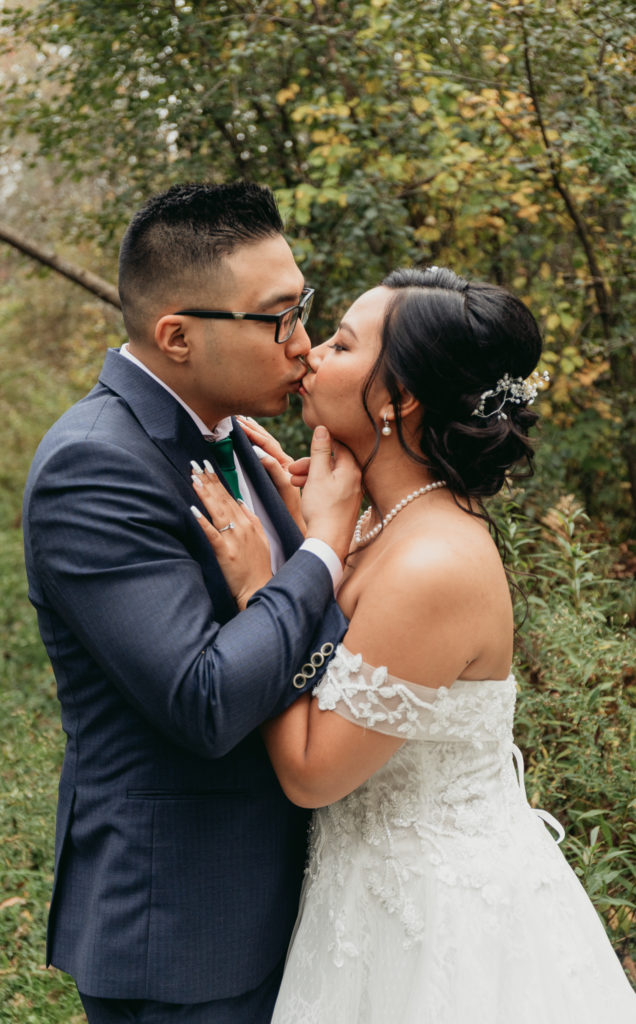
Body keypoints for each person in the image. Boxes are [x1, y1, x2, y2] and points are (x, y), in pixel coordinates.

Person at [192, 267, 636, 1022]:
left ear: (399, 399)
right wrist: (318, 539)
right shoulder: (380, 525)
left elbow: (309, 775)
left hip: (440, 934)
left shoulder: (434, 564)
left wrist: (263, 594)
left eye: (340, 343)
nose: (310, 356)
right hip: (363, 908)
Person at [21, 181, 362, 1024]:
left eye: (305, 309)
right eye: (278, 317)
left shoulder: (234, 437)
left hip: (295, 903)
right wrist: (319, 550)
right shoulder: (94, 470)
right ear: (177, 335)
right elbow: (205, 701)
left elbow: (316, 649)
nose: (303, 344)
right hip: (185, 928)